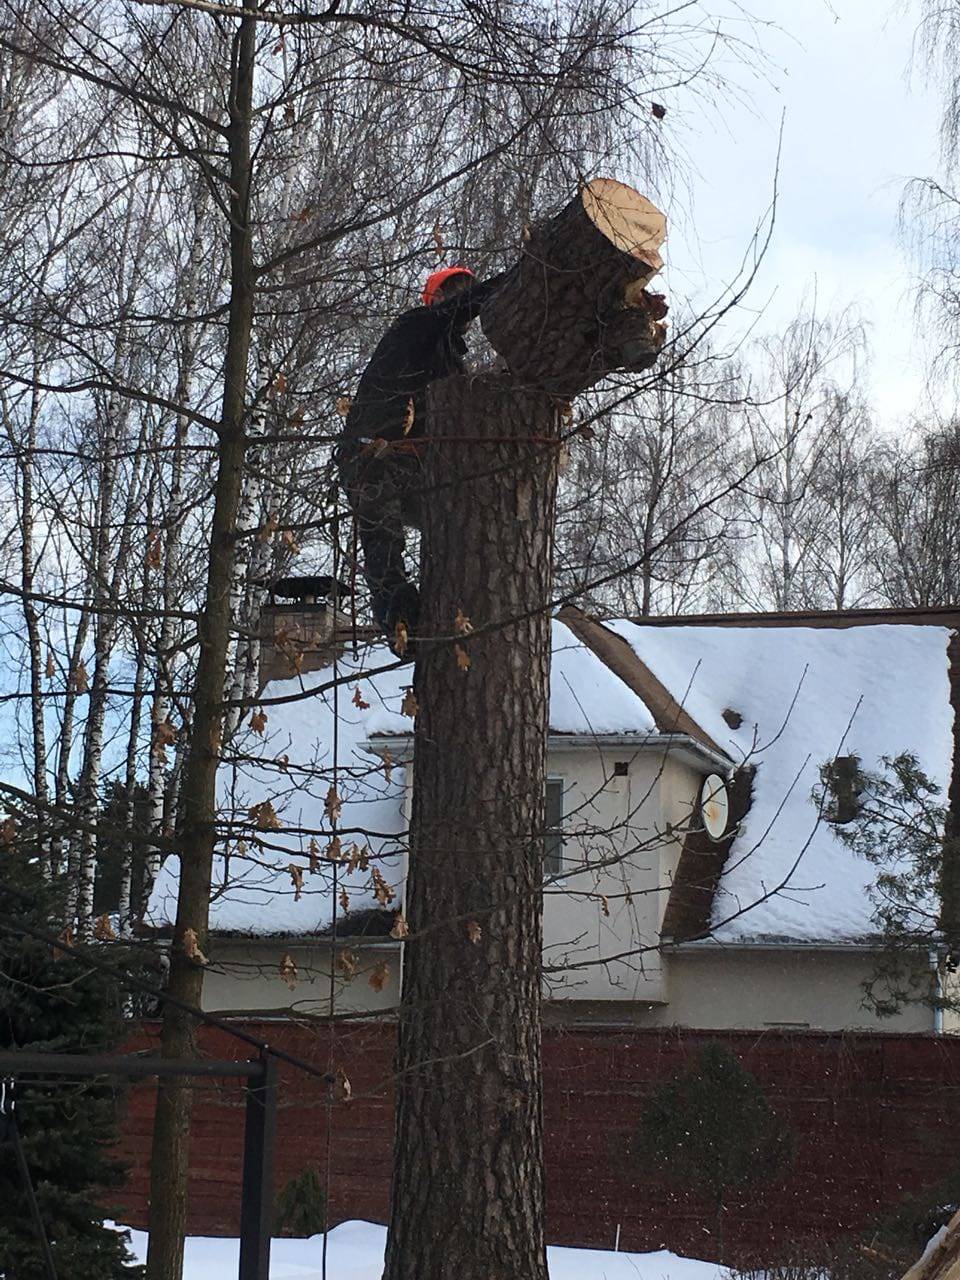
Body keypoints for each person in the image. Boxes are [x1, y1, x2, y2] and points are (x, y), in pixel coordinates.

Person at [336, 265, 503, 652]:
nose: (461, 299)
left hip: (412, 467)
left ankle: (442, 609)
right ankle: (402, 626)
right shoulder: (415, 326)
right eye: (453, 292)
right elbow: (461, 308)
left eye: (466, 289)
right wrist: (512, 279)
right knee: (385, 550)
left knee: (454, 522)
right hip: (372, 456)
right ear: (436, 300)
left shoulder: (451, 364)